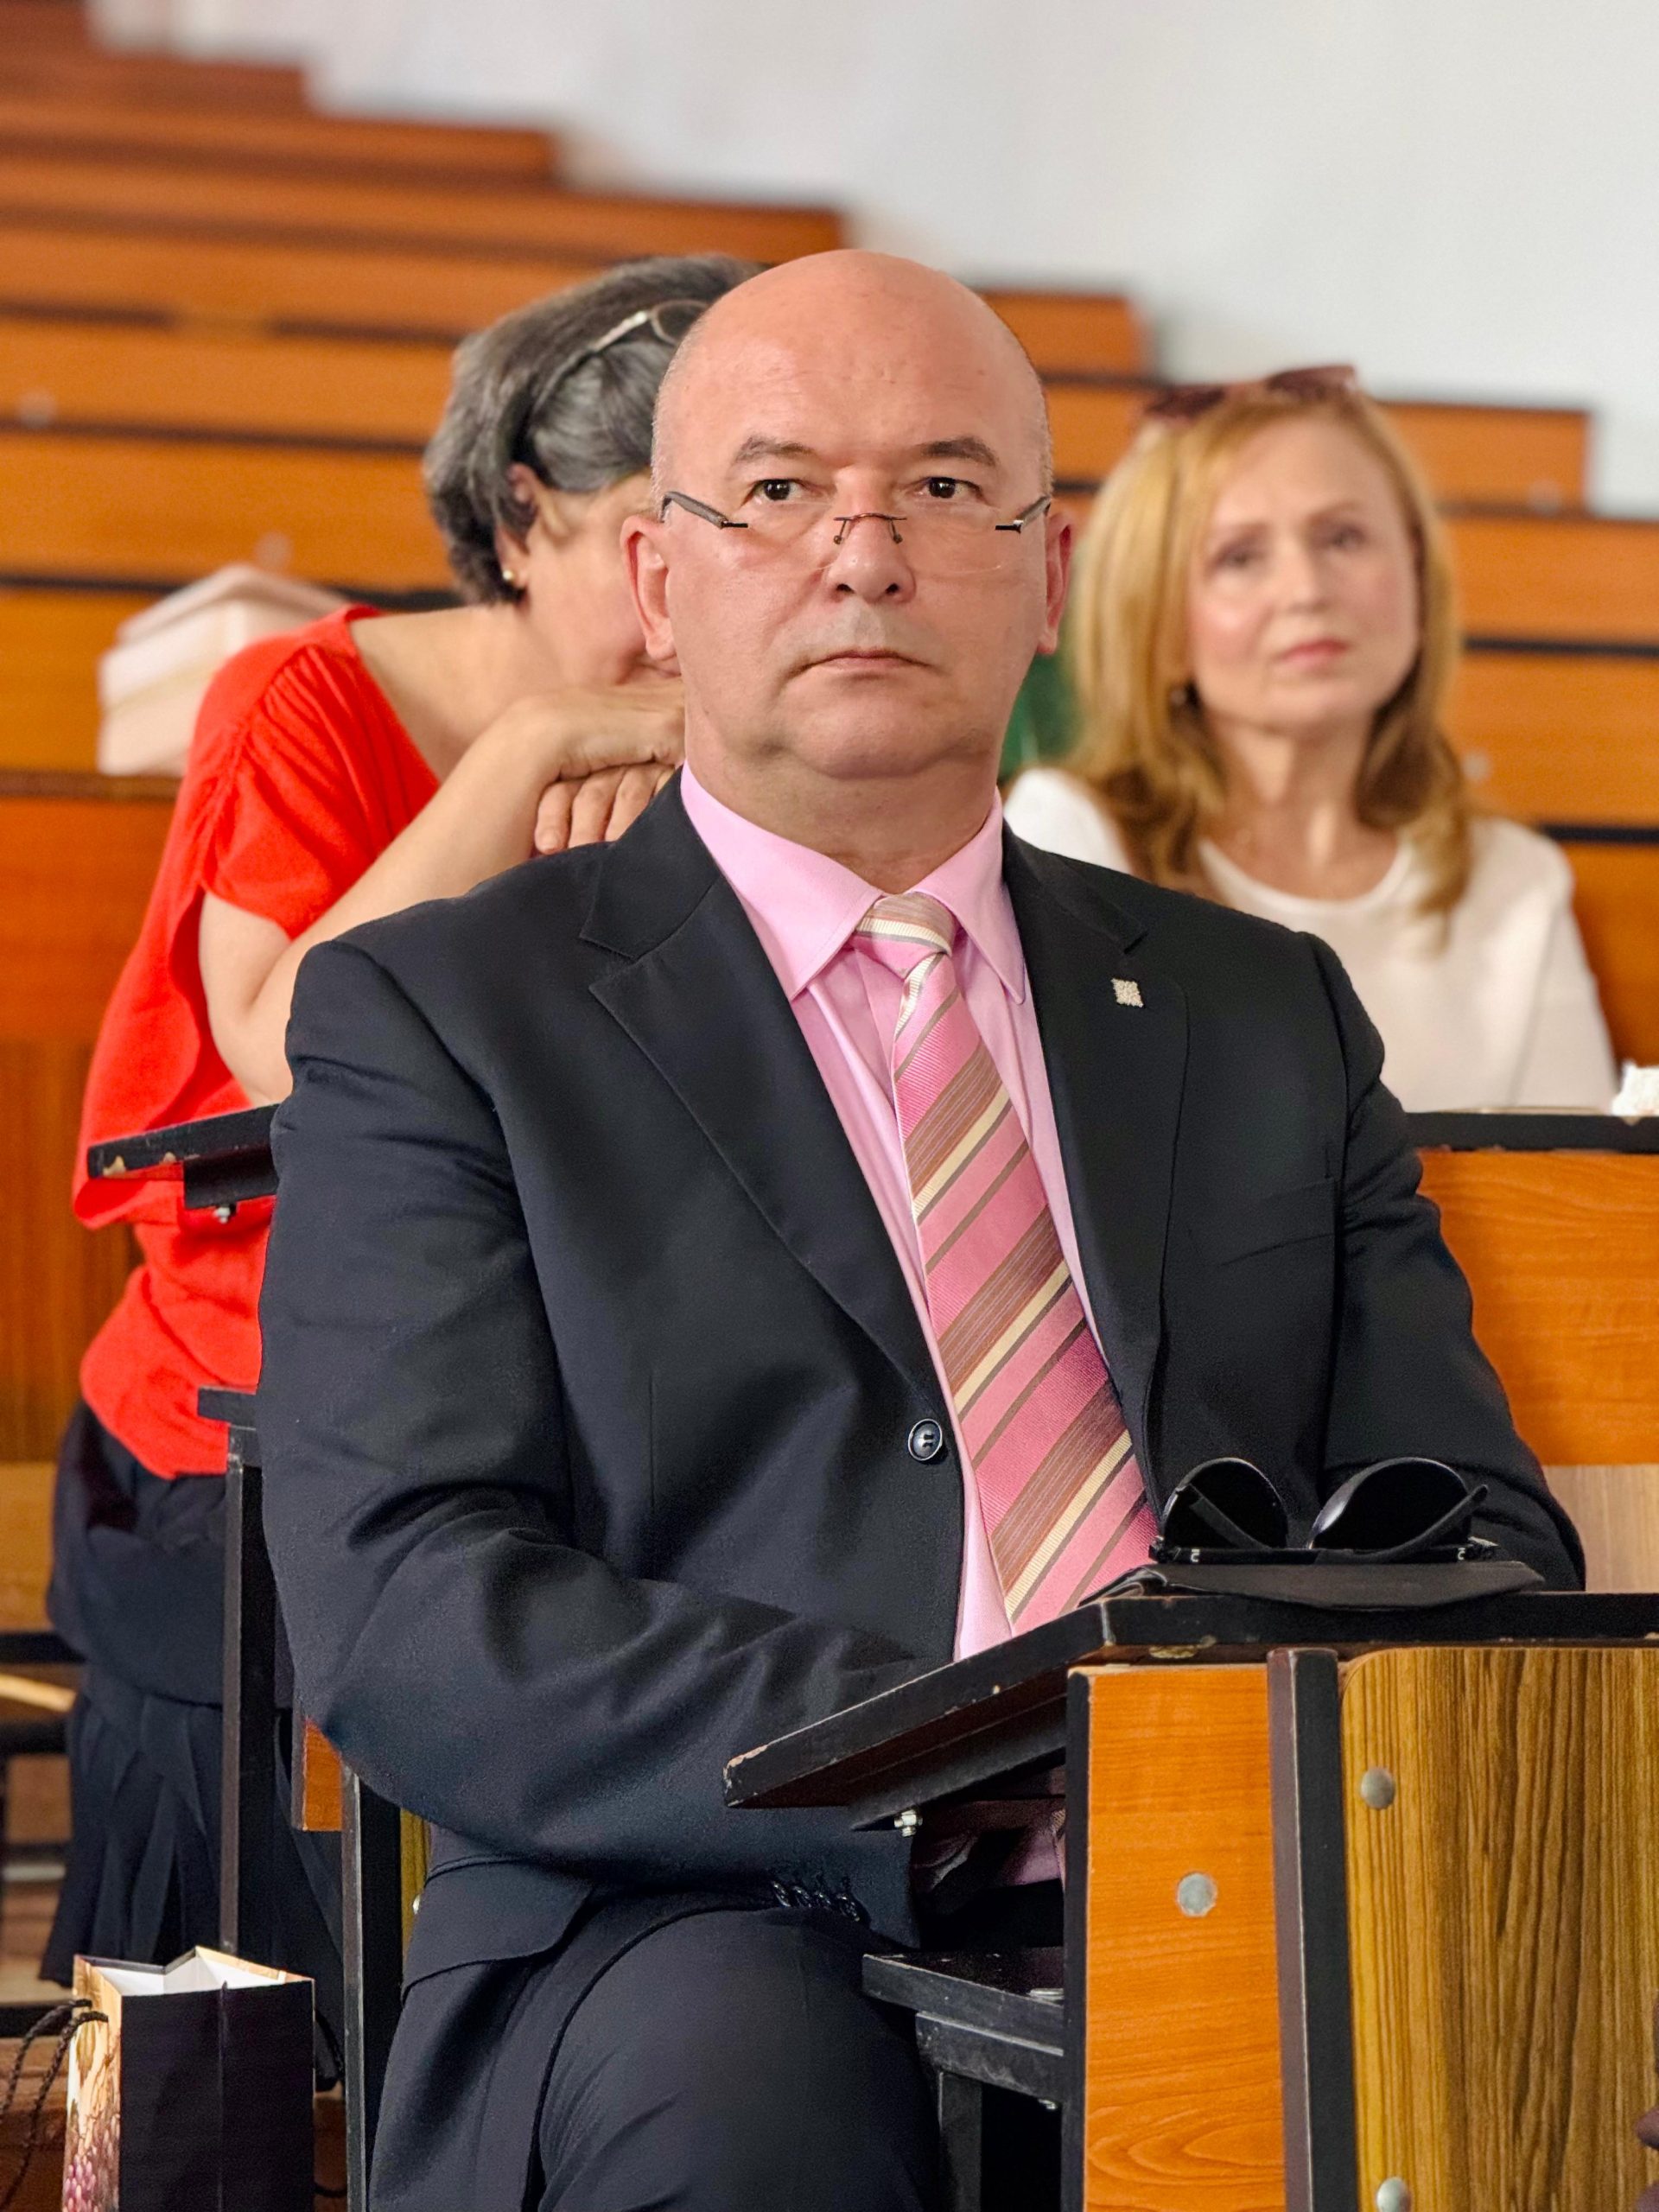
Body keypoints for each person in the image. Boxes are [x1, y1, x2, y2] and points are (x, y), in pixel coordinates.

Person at [257, 252, 1581, 2212]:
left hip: (1243, 1861)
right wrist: (963, 1747)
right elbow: (407, 1603)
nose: (864, 555)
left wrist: (1226, 1748)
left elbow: (1479, 1529)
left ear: (1049, 578)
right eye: (780, 490)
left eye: (947, 488)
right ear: (657, 585)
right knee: (758, 2137)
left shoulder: (1261, 1010)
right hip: (692, 1895)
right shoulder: (447, 1015)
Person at [45, 252, 750, 2000]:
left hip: (570, 1405)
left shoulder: (722, 737)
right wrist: (526, 752)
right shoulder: (300, 699)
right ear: (519, 517)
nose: (680, 620)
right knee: (279, 1967)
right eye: (640, 545)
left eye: (723, 550)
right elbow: (286, 1051)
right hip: (253, 1423)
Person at [1003, 369, 1618, 1111]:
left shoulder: (1513, 877)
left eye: (1343, 537)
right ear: (1159, 621)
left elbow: (1580, 1179)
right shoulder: (1070, 838)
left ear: (1417, 578)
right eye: (1240, 556)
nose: (1307, 590)